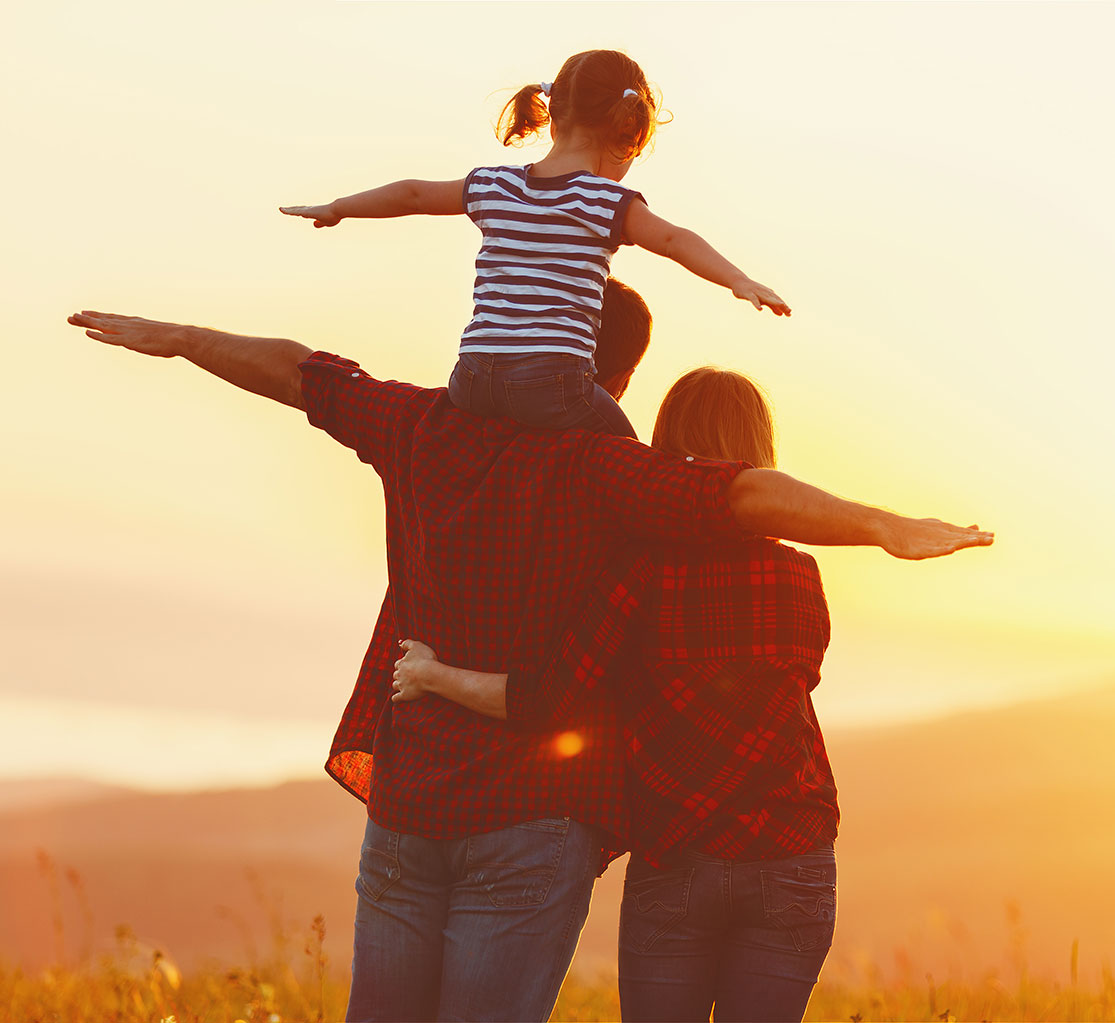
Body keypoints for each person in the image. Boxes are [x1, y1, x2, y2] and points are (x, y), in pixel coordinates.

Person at [65, 302, 989, 1023]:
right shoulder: (705, 530)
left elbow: (306, 375)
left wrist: (182, 336)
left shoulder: (444, 441)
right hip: (666, 836)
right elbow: (742, 506)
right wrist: (877, 525)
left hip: (514, 822)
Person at [393, 367, 843, 1021]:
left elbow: (545, 703)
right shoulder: (799, 574)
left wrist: (437, 676)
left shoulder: (637, 568)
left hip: (678, 851)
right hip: (791, 851)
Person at [280, 48, 787, 437]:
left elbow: (412, 193)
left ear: (553, 114)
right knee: (630, 455)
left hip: (471, 379)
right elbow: (674, 240)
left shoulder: (494, 185)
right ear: (626, 133)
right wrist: (738, 280)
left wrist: (337, 208)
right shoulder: (604, 201)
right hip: (553, 385)